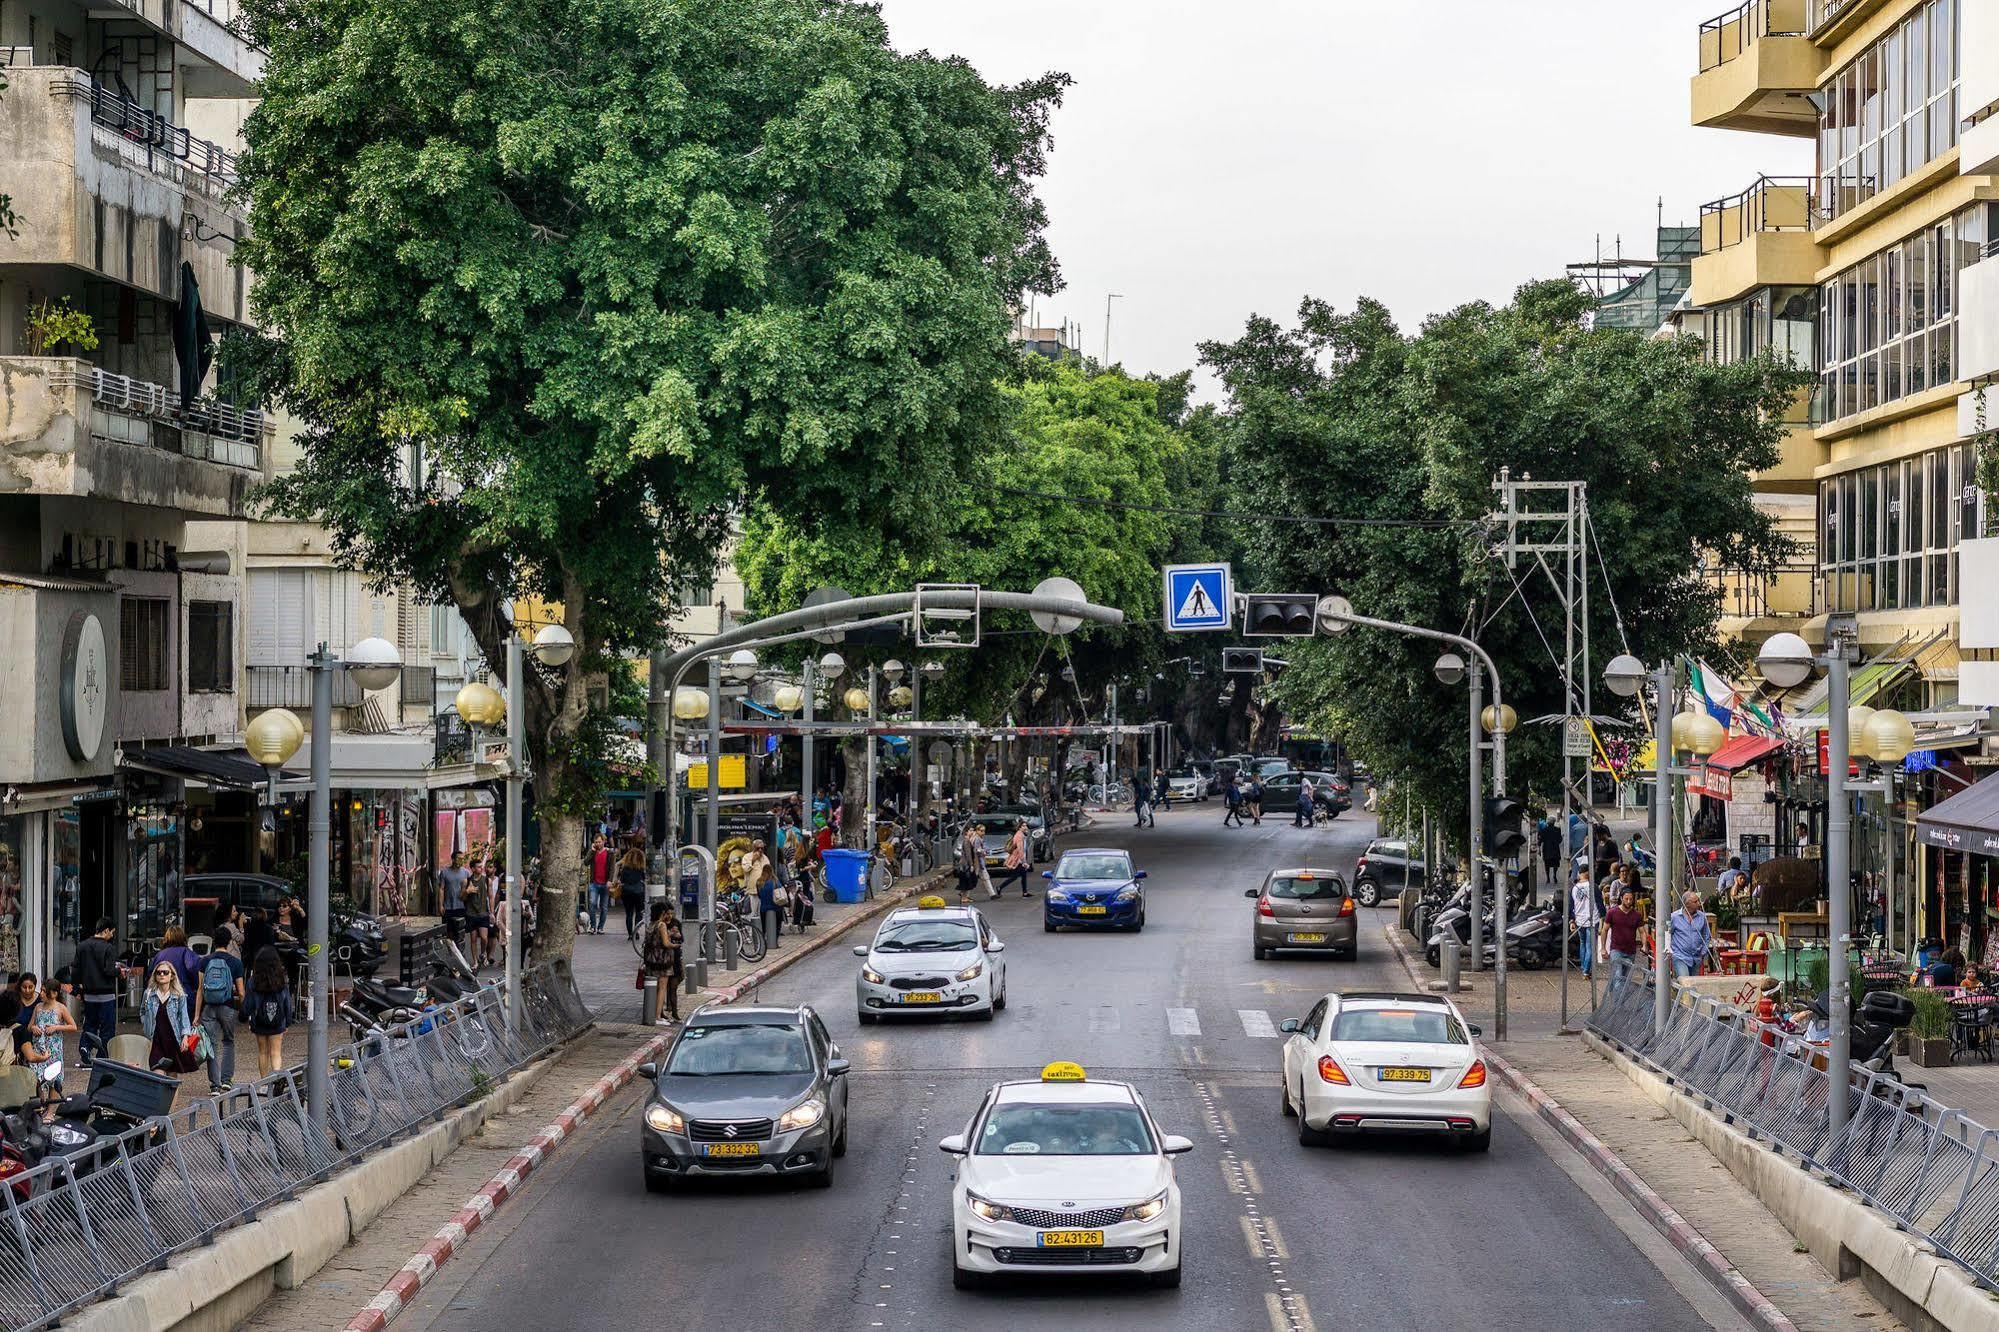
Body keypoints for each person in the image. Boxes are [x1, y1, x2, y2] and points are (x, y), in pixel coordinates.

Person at [198, 924, 245, 1092]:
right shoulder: (235, 963)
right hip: (228, 1007)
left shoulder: (205, 961)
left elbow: (200, 990)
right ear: (228, 941)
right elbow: (240, 991)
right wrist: (245, 1012)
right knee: (228, 1042)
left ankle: (214, 1085)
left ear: (214, 941)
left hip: (209, 1008)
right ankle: (226, 1080)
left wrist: (197, 1014)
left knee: (211, 1045)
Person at [75, 917, 122, 1067]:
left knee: (90, 1024)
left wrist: (78, 988)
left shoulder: (82, 946)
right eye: (112, 932)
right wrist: (119, 972)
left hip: (89, 994)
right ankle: (103, 1056)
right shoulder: (108, 948)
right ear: (106, 930)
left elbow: (75, 969)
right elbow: (109, 970)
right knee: (107, 1027)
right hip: (106, 994)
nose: (112, 936)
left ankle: (85, 1047)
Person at [139, 957, 195, 1076]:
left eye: (165, 972)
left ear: (172, 976)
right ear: (155, 976)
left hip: (172, 1040)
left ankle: (172, 1096)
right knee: (157, 1074)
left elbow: (184, 1016)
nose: (162, 975)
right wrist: (146, 1025)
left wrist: (185, 1036)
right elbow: (142, 1011)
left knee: (172, 1078)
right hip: (155, 1041)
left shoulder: (179, 996)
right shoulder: (148, 994)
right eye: (158, 973)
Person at [245, 946, 293, 1079]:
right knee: (276, 1052)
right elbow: (287, 1003)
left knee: (263, 1052)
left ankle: (264, 1082)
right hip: (278, 1021)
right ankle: (276, 1079)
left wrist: (244, 1016)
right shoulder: (281, 980)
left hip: (259, 1021)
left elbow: (248, 1004)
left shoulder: (253, 981)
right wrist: (288, 1022)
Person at [644, 901, 684, 1027]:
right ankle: (657, 1016)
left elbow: (654, 940)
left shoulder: (651, 924)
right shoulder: (661, 925)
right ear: (662, 912)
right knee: (662, 988)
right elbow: (666, 943)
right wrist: (675, 945)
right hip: (663, 960)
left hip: (652, 959)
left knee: (654, 988)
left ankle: (655, 1014)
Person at [1604, 888, 1644, 989]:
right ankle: (1618, 1003)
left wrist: (1645, 945)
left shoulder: (1637, 915)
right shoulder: (1612, 912)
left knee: (1626, 979)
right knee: (1618, 977)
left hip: (1631, 951)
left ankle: (1614, 996)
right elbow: (1604, 930)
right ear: (1621, 898)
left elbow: (1642, 931)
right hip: (1616, 950)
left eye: (1631, 899)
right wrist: (1603, 948)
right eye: (1626, 899)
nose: (1629, 901)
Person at [745, 839, 782, 949]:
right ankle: (752, 936)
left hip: (764, 892)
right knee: (752, 914)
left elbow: (768, 871)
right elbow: (745, 869)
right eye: (758, 848)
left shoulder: (765, 858)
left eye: (762, 848)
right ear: (754, 848)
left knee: (763, 915)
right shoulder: (747, 857)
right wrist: (753, 860)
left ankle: (763, 935)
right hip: (753, 890)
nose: (760, 850)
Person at [1668, 891, 1712, 980]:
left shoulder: (1702, 917)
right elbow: (1668, 934)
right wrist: (1670, 950)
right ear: (1687, 904)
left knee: (1694, 986)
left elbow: (1707, 936)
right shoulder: (1674, 917)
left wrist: (1703, 952)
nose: (1699, 904)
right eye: (1695, 902)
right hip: (1680, 956)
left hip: (1696, 958)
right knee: (1685, 982)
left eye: (1698, 901)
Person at [1569, 868, 1599, 977]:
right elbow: (1599, 904)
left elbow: (1570, 906)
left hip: (1579, 919)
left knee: (1583, 943)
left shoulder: (1574, 888)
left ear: (1579, 874)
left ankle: (1584, 967)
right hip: (1592, 920)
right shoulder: (1593, 887)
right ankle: (1586, 970)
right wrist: (1603, 917)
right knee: (1590, 946)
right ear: (1589, 873)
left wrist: (1571, 920)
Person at [462, 867, 493, 969]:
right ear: (473, 868)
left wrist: (492, 912)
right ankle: (475, 961)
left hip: (483, 913)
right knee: (473, 939)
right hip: (471, 913)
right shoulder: (466, 881)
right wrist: (467, 891)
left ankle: (483, 954)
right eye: (478, 867)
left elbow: (491, 896)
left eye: (481, 866)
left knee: (484, 938)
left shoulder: (487, 880)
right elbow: (462, 898)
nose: (481, 868)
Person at [438, 853, 472, 941]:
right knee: (448, 933)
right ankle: (451, 952)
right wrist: (440, 905)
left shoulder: (466, 873)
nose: (461, 860)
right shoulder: (444, 872)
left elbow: (470, 890)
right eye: (459, 858)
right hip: (448, 907)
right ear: (453, 859)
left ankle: (459, 953)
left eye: (462, 859)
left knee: (460, 933)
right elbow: (441, 889)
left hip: (461, 907)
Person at [617, 845, 647, 942]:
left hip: (627, 892)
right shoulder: (640, 868)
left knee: (629, 914)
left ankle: (630, 934)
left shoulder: (625, 868)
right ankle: (636, 931)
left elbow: (622, 880)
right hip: (639, 893)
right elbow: (644, 878)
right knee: (639, 913)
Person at [585, 835, 613, 936]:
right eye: (596, 842)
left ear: (604, 841)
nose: (598, 844)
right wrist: (592, 851)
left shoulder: (609, 853)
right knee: (592, 903)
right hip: (594, 883)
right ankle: (593, 926)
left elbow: (612, 868)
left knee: (604, 907)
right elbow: (585, 862)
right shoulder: (593, 852)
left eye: (599, 842)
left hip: (605, 883)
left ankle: (600, 927)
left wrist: (610, 880)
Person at [997, 819, 1032, 898]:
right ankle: (1000, 887)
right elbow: (1020, 850)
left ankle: (1025, 892)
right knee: (1014, 876)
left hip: (1019, 859)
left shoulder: (1021, 835)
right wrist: (1024, 862)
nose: (1025, 827)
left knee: (1023, 875)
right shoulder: (1019, 836)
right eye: (1023, 826)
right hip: (1018, 860)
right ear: (1019, 828)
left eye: (1026, 825)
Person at [954, 822, 983, 906]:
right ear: (966, 832)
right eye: (970, 830)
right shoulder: (966, 841)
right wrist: (971, 865)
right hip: (965, 864)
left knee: (966, 880)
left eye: (973, 830)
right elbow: (968, 854)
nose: (972, 832)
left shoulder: (968, 840)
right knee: (966, 880)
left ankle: (965, 896)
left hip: (965, 864)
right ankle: (964, 897)